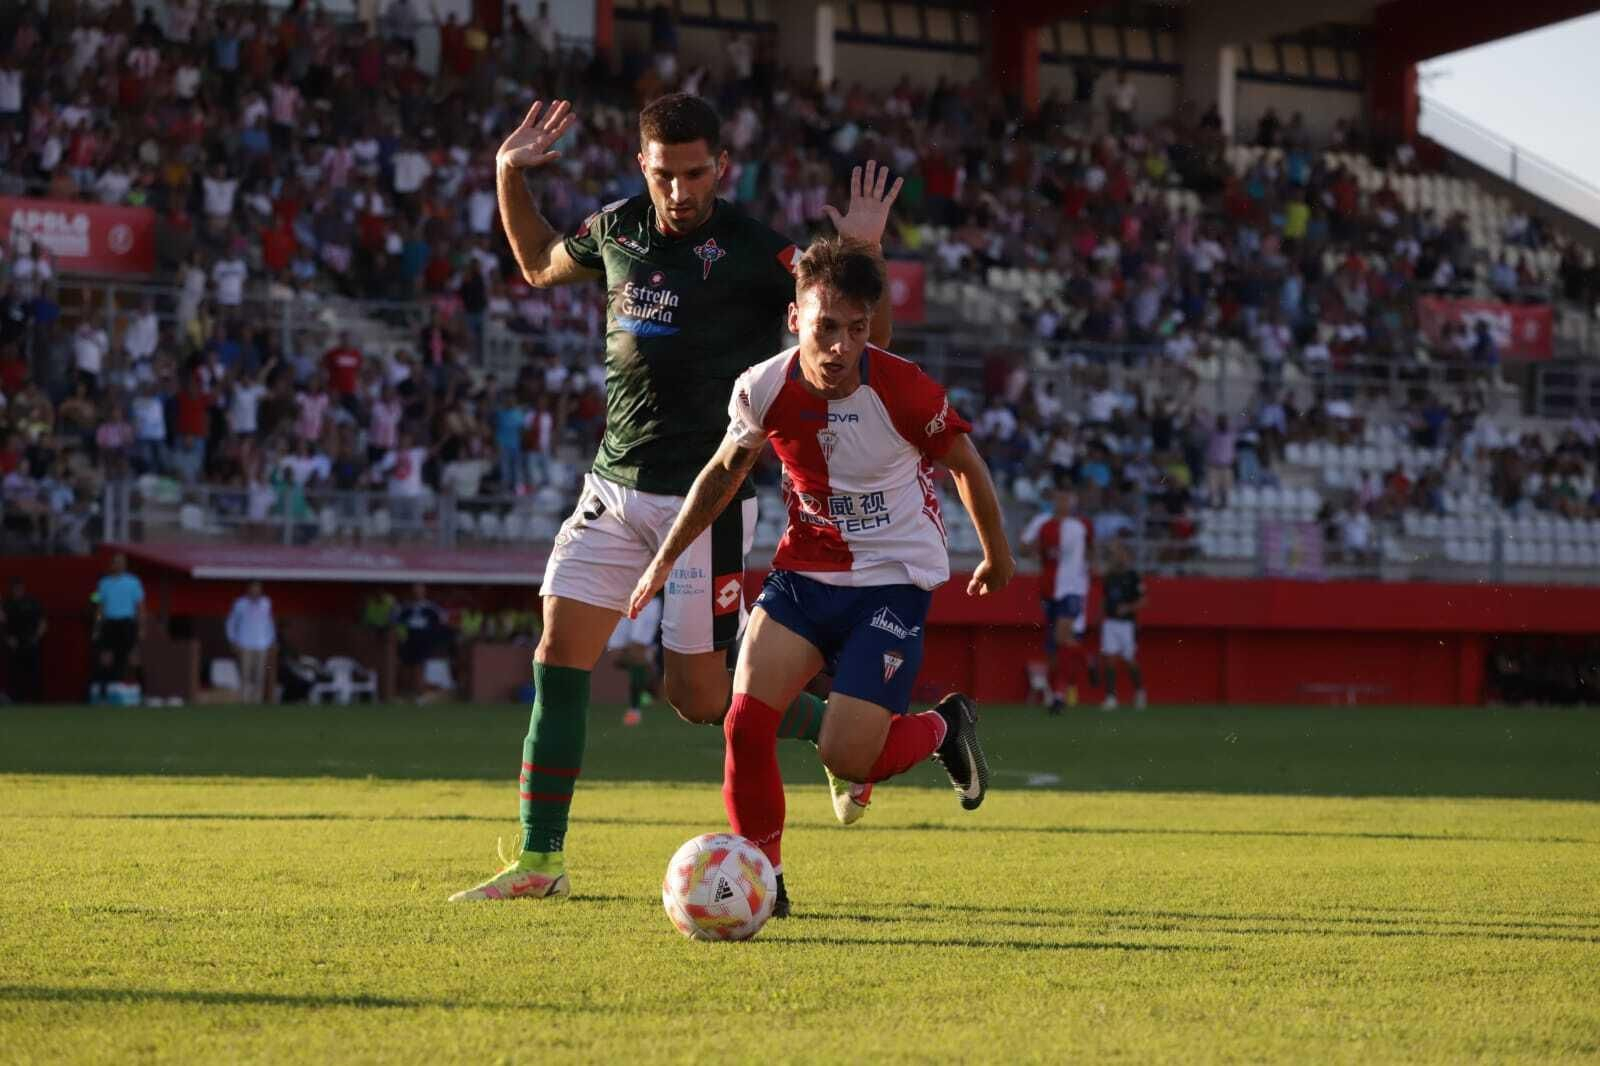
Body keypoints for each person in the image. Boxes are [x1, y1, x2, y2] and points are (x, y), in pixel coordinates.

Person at [449, 94, 902, 903]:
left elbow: (861, 349)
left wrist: (862, 254)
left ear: (719, 168)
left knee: (698, 698)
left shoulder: (761, 252)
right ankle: (539, 860)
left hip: (709, 503)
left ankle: (846, 737)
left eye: (696, 173)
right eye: (666, 174)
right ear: (643, 167)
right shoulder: (617, 231)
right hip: (614, 488)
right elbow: (537, 262)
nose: (681, 190)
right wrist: (506, 172)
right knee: (557, 652)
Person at [626, 237, 1012, 915]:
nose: (840, 347)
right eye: (826, 327)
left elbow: (966, 464)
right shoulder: (763, 387)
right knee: (743, 720)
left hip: (892, 582)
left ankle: (944, 729)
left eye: (856, 330)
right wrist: (664, 556)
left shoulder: (903, 387)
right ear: (794, 317)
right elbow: (723, 472)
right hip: (806, 574)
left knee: (852, 756)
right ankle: (762, 880)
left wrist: (996, 554)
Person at [1021, 489, 1093, 713]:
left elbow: (1090, 551)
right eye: (1059, 498)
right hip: (1048, 589)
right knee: (1054, 648)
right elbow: (1024, 547)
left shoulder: (1080, 526)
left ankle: (1063, 690)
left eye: (1067, 499)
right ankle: (1059, 691)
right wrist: (1035, 550)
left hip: (1072, 589)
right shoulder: (1042, 523)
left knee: (1062, 637)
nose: (1063, 503)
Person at [1098, 539, 1147, 710]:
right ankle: (1111, 697)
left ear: (1126, 555)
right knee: (1110, 659)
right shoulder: (1109, 576)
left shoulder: (1133, 576)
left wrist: (1127, 607)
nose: (1117, 556)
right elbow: (1104, 599)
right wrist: (1100, 617)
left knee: (1129, 659)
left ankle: (1140, 691)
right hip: (1110, 622)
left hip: (1126, 624)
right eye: (1115, 553)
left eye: (1120, 553)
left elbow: (1143, 600)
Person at [90, 552, 145, 699]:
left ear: (125, 564)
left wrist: (141, 627)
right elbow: (99, 607)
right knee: (105, 657)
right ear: (111, 564)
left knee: (133, 656)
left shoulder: (134, 582)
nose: (118, 565)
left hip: (127, 623)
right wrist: (97, 626)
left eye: (121, 562)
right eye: (115, 562)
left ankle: (140, 690)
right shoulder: (103, 583)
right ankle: (103, 691)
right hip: (109, 624)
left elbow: (140, 607)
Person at [607, 591, 662, 725]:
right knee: (616, 655)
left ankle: (634, 710)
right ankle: (652, 670)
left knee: (636, 651)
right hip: (621, 597)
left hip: (647, 599)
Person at [225, 580, 276, 703]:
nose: (255, 591)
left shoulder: (266, 603)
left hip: (261, 644)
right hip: (245, 644)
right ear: (248, 589)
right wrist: (233, 640)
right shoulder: (240, 604)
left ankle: (257, 701)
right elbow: (231, 623)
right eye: (253, 588)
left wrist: (271, 640)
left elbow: (269, 623)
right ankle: (244, 700)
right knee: (245, 674)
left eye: (257, 589)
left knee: (259, 675)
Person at [3, 576, 46, 703]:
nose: (18, 590)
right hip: (14, 644)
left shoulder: (32, 602)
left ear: (23, 588)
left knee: (33, 673)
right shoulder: (7, 604)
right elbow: (3, 624)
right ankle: (15, 699)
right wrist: (7, 638)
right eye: (15, 588)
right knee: (14, 673)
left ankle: (34, 700)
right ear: (12, 589)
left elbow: (42, 622)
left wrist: (36, 637)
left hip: (31, 642)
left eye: (19, 588)